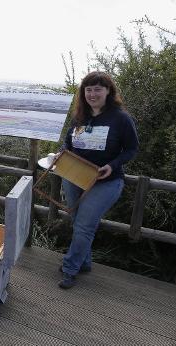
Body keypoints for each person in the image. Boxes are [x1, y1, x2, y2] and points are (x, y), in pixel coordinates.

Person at [59, 71, 139, 289]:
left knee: (84, 226)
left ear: (108, 91)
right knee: (78, 223)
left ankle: (69, 268)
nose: (92, 94)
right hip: (74, 176)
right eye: (88, 89)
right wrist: (61, 153)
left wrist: (111, 165)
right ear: (83, 93)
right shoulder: (80, 117)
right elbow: (68, 143)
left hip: (106, 182)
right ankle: (83, 263)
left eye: (97, 89)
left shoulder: (121, 119)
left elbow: (132, 149)